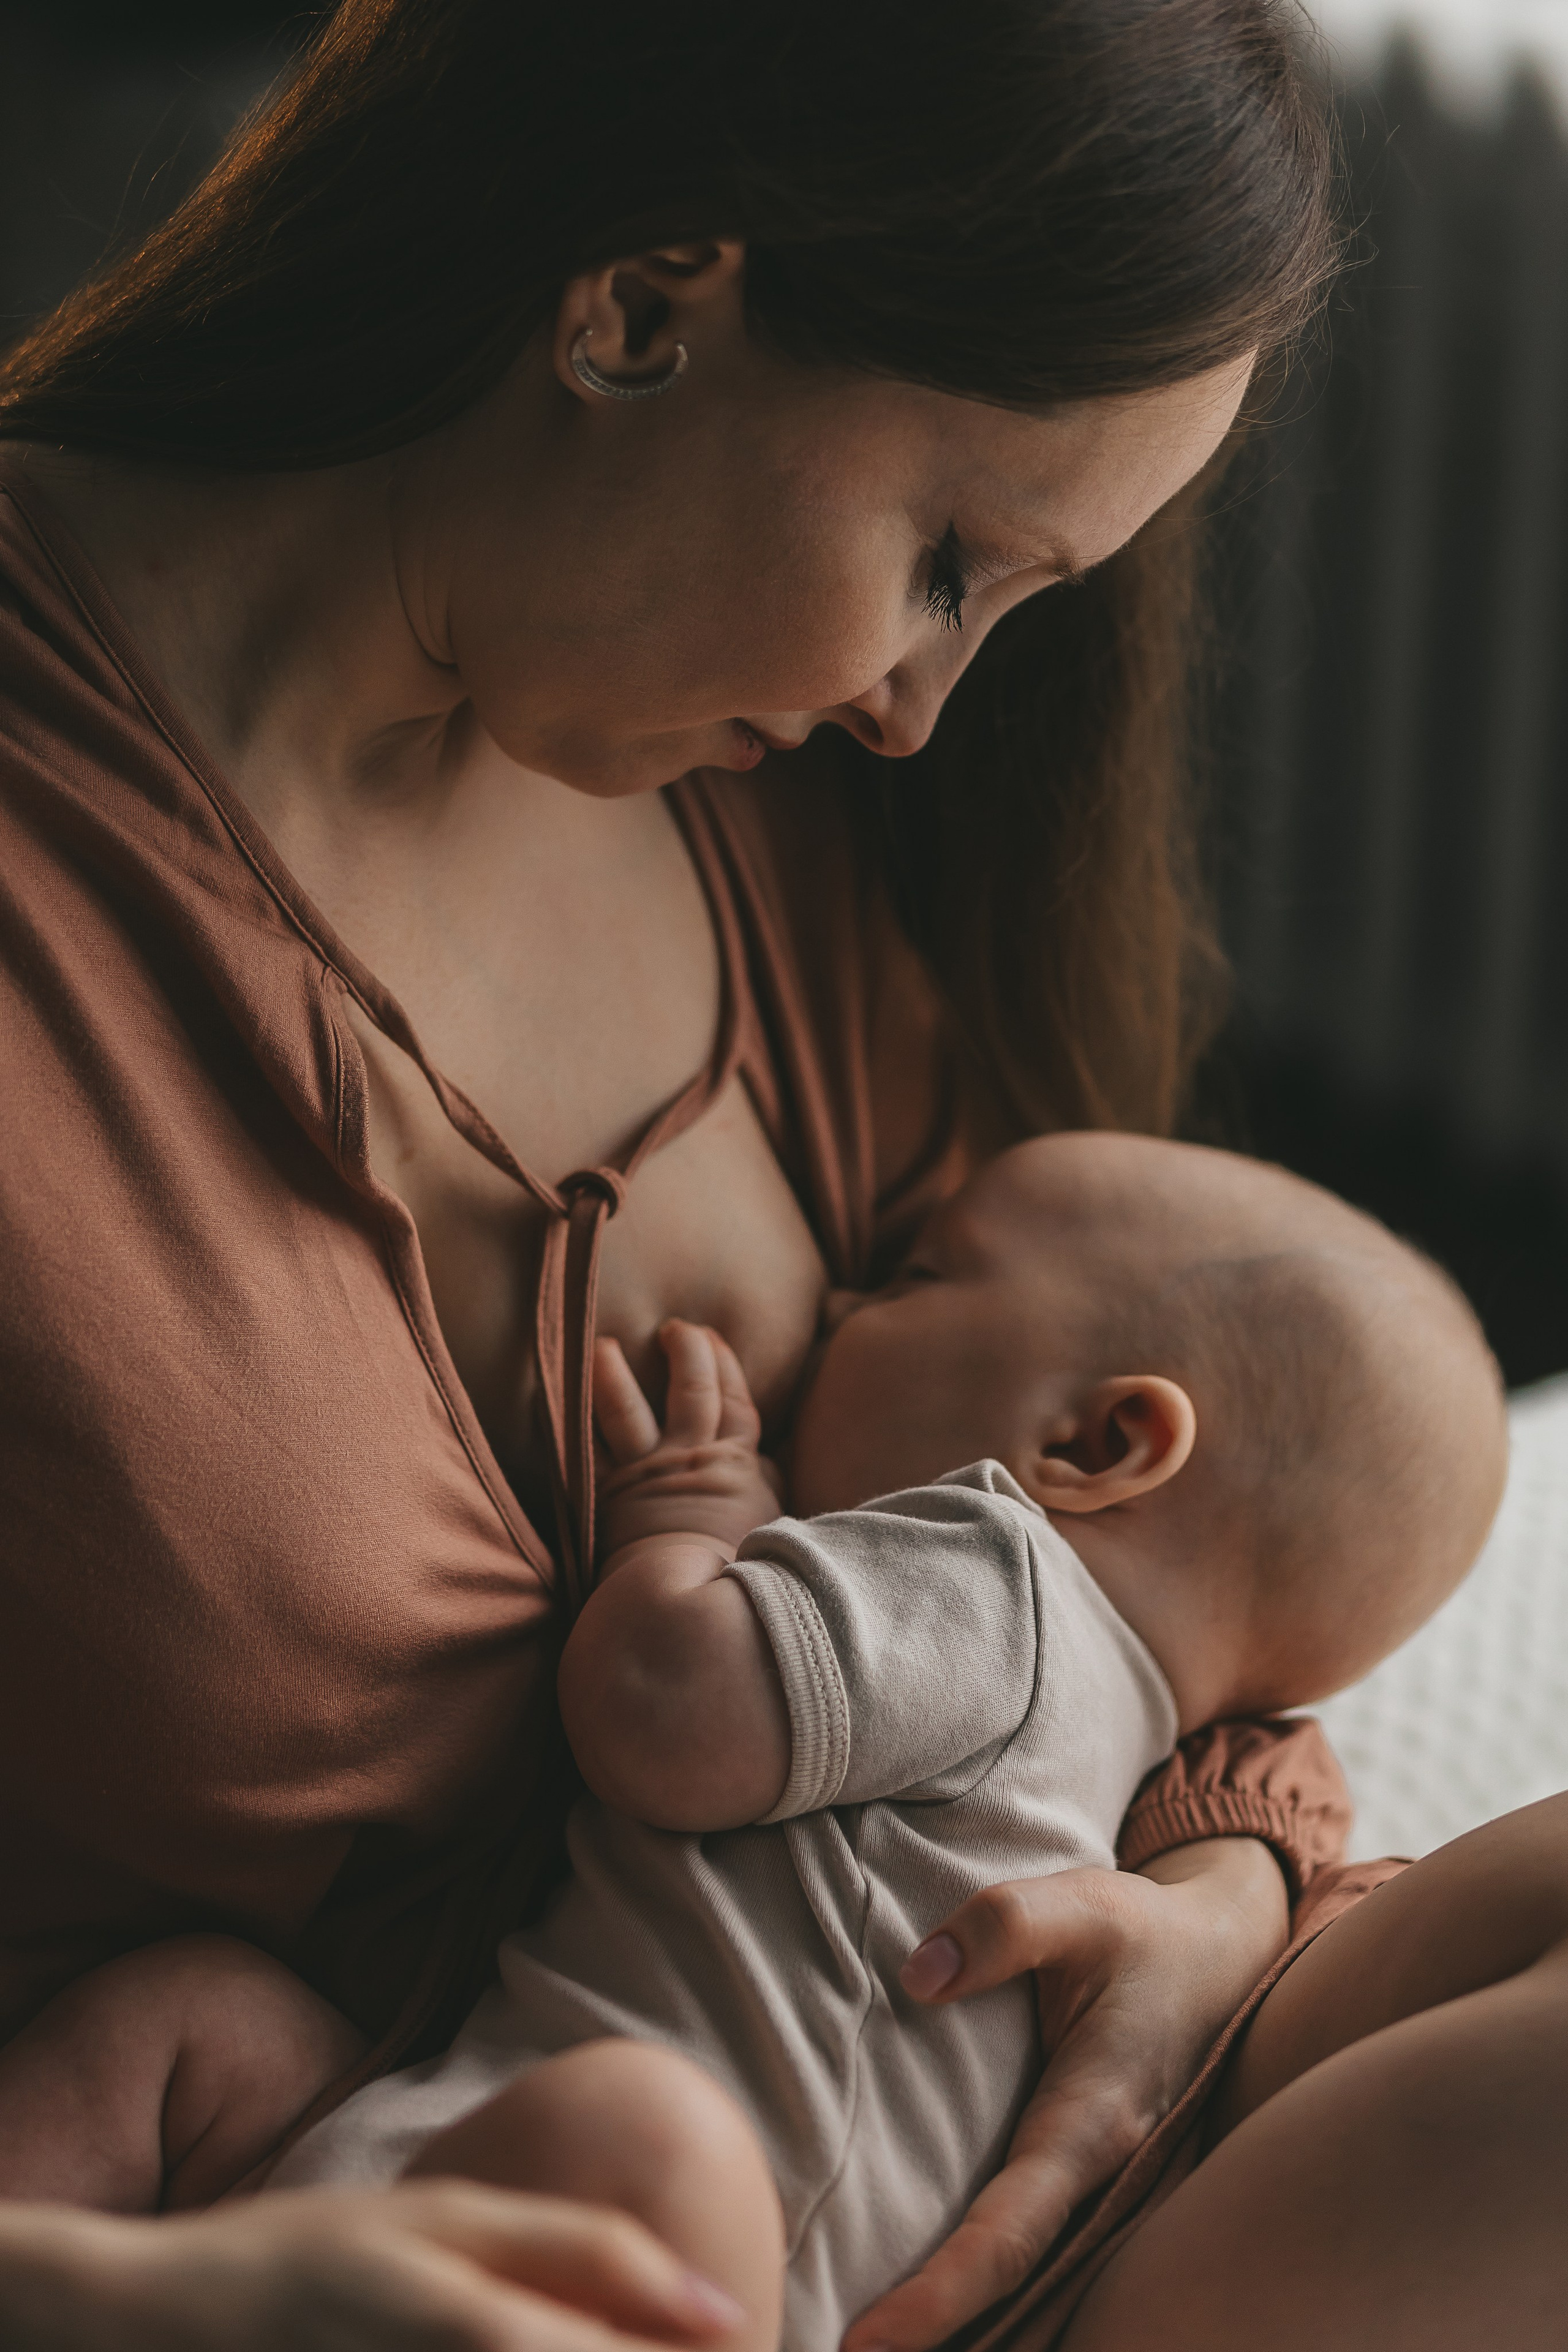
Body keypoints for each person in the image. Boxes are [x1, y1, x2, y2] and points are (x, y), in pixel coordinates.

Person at [1, 2, 1562, 2347]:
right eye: (948, 562)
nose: (925, 712)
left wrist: (1219, 1889)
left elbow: (1149, 1524)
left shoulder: (764, 793)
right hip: (436, 2227)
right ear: (643, 311)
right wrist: (167, 2302)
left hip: (1014, 2118)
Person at [0, 1133, 1510, 2352]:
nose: (835, 1310)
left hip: (655, 2267)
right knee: (206, 2016)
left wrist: (689, 1514)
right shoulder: (1126, 1753)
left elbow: (666, 1711)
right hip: (473, 2172)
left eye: (914, 1279)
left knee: (633, 2127)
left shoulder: (997, 1577)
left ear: (1093, 1445)